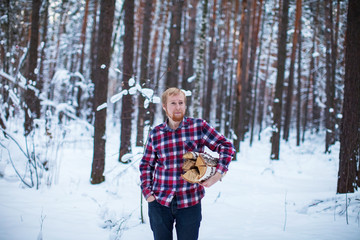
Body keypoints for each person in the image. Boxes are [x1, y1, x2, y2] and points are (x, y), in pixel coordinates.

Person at [139, 87, 235, 240]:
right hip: (160, 202)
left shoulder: (198, 127)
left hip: (190, 200)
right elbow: (146, 165)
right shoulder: (156, 134)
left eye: (181, 102)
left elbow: (226, 146)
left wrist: (218, 175)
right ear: (164, 106)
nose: (178, 107)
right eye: (173, 103)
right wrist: (148, 194)